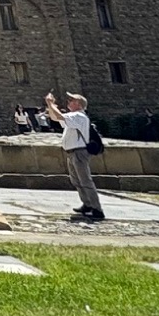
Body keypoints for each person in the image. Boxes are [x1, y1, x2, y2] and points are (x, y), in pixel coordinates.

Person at [43, 90, 104, 221]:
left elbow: (59, 116)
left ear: (79, 104)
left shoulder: (79, 116)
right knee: (76, 181)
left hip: (79, 152)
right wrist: (50, 105)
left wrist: (51, 104)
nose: (68, 101)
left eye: (71, 100)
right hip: (72, 152)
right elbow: (55, 118)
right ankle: (87, 204)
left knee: (85, 181)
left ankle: (97, 208)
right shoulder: (73, 116)